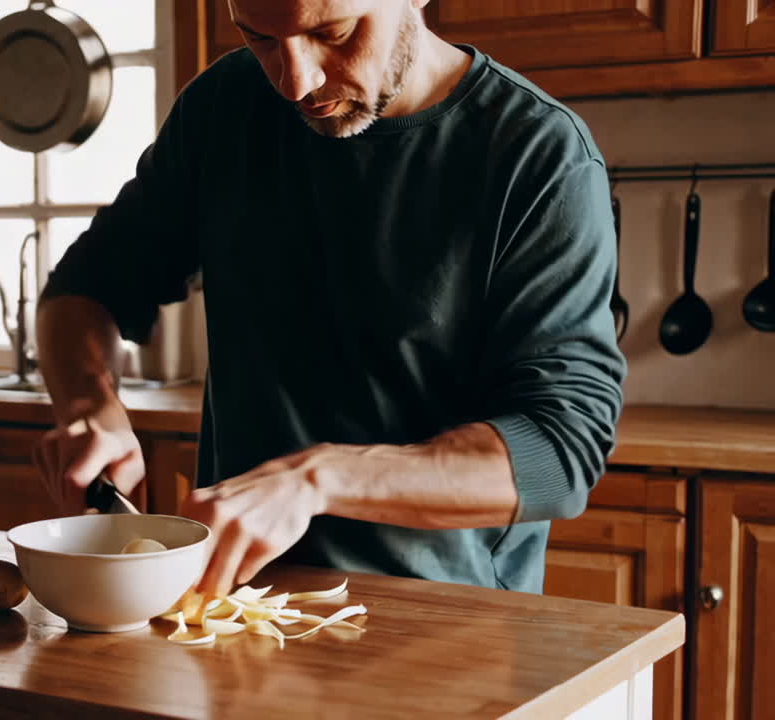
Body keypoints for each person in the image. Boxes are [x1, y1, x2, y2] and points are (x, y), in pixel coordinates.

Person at [31, 0, 626, 600]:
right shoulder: (221, 108)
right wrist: (89, 406)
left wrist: (316, 479)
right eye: (260, 39)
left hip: (445, 613)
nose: (297, 82)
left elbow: (559, 449)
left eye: (332, 33)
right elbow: (87, 285)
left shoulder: (539, 154)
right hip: (237, 605)